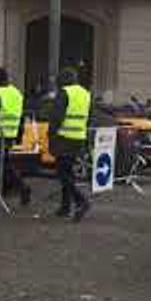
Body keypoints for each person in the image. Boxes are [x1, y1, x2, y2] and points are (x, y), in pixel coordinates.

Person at [0, 67, 31, 207]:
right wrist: (19, 135)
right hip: (10, 134)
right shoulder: (16, 93)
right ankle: (20, 189)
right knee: (4, 164)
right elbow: (21, 116)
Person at [48, 67, 92, 222]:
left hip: (64, 138)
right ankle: (65, 207)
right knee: (68, 172)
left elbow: (56, 118)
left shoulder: (65, 93)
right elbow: (90, 116)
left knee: (63, 174)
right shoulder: (85, 93)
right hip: (78, 138)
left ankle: (81, 201)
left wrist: (51, 138)